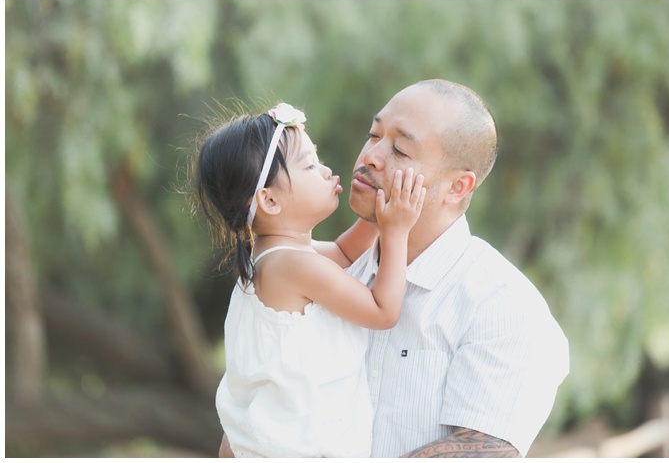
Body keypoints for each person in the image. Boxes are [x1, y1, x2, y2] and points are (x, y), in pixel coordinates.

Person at [344, 79, 570, 457]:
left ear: (457, 187)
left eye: (400, 149)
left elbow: (482, 452)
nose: (370, 156)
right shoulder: (331, 278)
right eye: (373, 134)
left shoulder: (503, 305)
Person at [192, 103, 426, 457]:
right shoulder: (293, 266)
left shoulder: (278, 256)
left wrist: (378, 211)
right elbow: (382, 310)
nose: (326, 169)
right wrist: (396, 231)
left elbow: (347, 254)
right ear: (269, 200)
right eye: (310, 165)